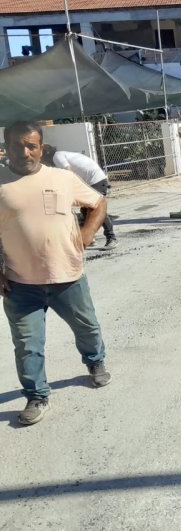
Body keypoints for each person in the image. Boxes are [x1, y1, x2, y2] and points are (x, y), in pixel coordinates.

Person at [0, 121, 112, 426]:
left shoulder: (62, 178)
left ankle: (95, 361)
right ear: (6, 147)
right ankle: (37, 395)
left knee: (87, 328)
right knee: (27, 346)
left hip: (68, 277)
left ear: (41, 148)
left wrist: (88, 232)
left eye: (31, 146)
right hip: (20, 284)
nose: (24, 152)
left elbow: (98, 202)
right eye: (17, 145)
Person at [42, 144, 117, 249]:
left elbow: (69, 174)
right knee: (85, 210)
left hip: (95, 180)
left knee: (96, 209)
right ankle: (89, 238)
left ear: (45, 155)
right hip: (92, 180)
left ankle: (111, 238)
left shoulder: (57, 156)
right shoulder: (61, 155)